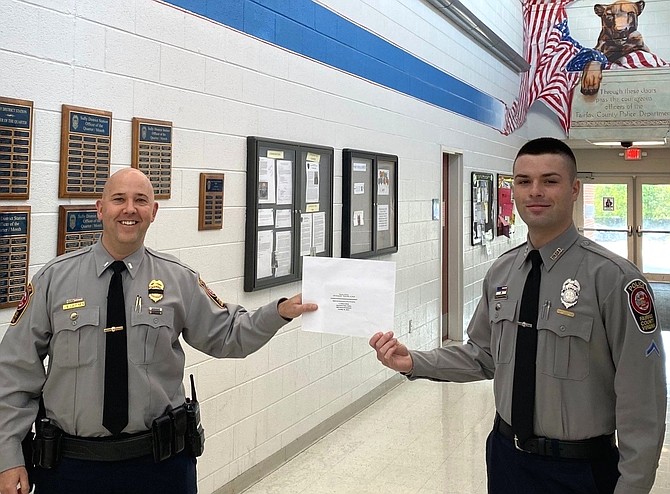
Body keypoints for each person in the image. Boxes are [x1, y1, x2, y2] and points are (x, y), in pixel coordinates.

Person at [370, 137, 666, 493]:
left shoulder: (614, 279)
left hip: (580, 471)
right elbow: (483, 356)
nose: (535, 191)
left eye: (550, 180)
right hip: (507, 460)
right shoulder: (503, 272)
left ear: (574, 189)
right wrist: (413, 361)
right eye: (524, 181)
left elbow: (642, 401)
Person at [0, 167, 317, 494]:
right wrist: (8, 456)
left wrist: (278, 312)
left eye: (140, 200)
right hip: (72, 468)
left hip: (160, 466)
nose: (129, 209)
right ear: (100, 209)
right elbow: (14, 370)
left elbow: (228, 335)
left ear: (153, 212)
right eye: (118, 199)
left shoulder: (178, 279)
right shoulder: (54, 279)